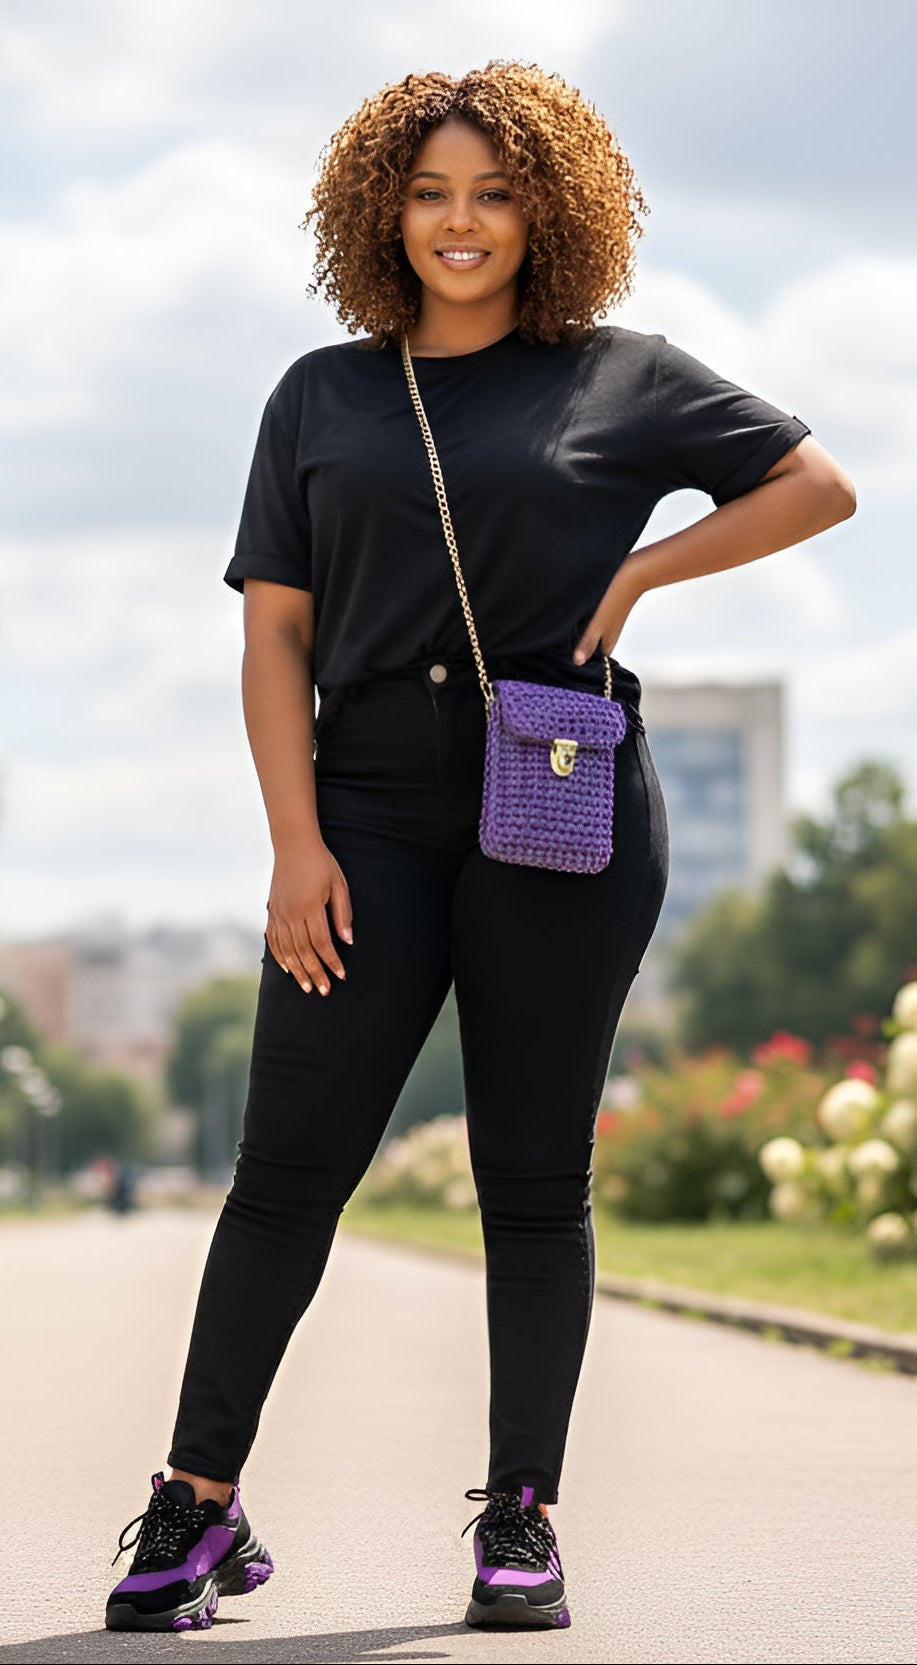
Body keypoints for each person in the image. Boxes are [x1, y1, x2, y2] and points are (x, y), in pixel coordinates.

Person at [105, 62, 856, 1634]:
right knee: (283, 1172)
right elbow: (276, 636)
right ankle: (195, 1504)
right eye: (433, 191)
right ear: (383, 206)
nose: (461, 223)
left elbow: (815, 484)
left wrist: (642, 572)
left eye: (495, 193)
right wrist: (293, 842)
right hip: (361, 808)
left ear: (548, 210)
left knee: (533, 1176)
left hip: (560, 798)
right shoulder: (319, 393)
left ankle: (521, 1519)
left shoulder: (619, 375)